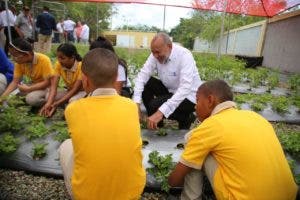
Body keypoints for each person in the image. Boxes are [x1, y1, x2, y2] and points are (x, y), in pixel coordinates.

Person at [168, 79, 298, 200]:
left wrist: (171, 180)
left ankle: (190, 198)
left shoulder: (211, 126)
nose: (195, 107)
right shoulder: (255, 117)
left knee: (192, 140)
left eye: (197, 101)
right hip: (290, 195)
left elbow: (174, 182)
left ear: (210, 100)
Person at [59, 48, 146, 199]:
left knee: (66, 145)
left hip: (87, 195)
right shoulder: (131, 106)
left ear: (85, 80)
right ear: (116, 78)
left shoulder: (73, 109)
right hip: (133, 192)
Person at [133, 32, 202, 130]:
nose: (155, 56)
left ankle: (184, 117)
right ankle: (157, 124)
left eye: (158, 52)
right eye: (153, 52)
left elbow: (185, 88)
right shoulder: (155, 54)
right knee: (147, 83)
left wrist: (161, 112)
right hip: (171, 91)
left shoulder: (184, 55)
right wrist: (136, 104)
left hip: (189, 97)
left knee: (154, 105)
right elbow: (142, 76)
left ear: (169, 46)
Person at [0, 38, 54, 106]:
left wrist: (29, 88)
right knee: (9, 99)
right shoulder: (19, 63)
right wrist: (2, 98)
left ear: (27, 54)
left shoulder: (44, 60)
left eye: (15, 56)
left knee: (32, 99)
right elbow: (15, 82)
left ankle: (48, 102)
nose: (13, 58)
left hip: (47, 88)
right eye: (11, 55)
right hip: (32, 85)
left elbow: (47, 82)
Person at [39, 43, 86, 117]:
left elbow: (75, 89)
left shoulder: (81, 66)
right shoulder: (58, 65)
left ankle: (71, 106)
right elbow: (54, 86)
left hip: (82, 92)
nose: (59, 60)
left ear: (72, 57)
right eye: (58, 57)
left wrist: (57, 103)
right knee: (48, 97)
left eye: (62, 58)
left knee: (72, 102)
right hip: (69, 91)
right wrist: (49, 103)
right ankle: (62, 105)